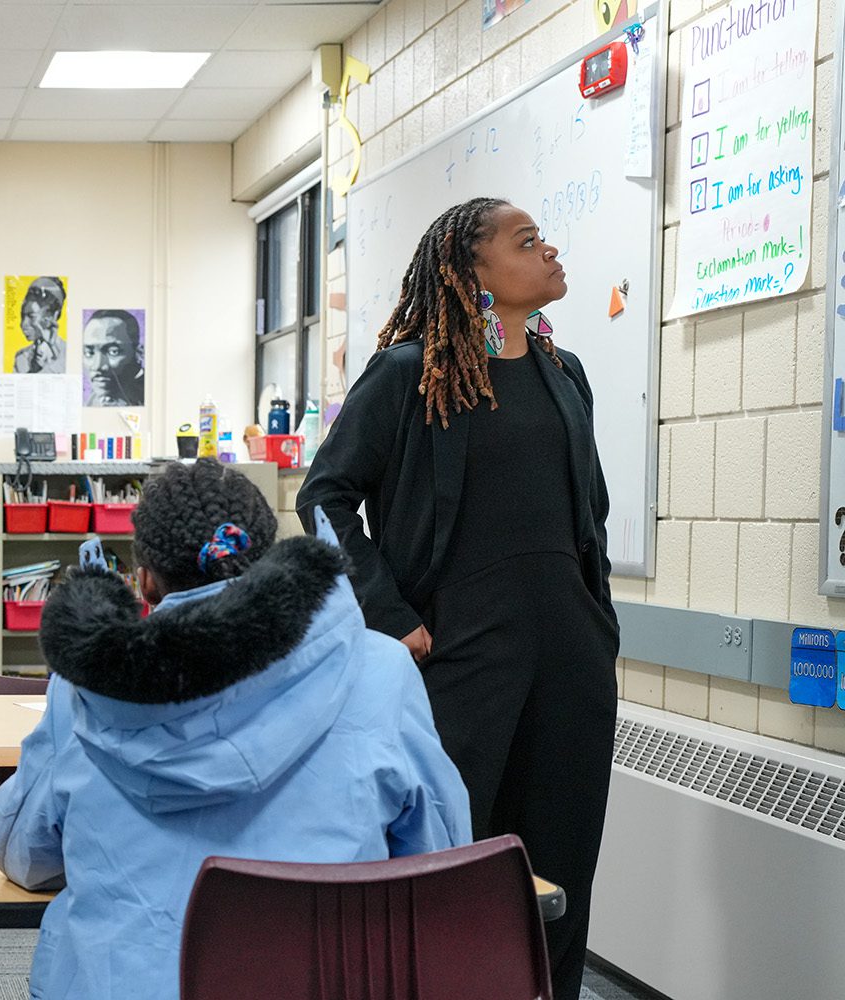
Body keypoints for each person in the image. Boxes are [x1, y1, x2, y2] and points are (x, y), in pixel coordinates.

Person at [296, 197, 618, 1000]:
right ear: (472, 270)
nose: (548, 251)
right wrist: (387, 612)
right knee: (447, 868)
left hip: (571, 667)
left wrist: (597, 622)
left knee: (560, 878)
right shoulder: (411, 373)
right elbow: (326, 495)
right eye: (526, 240)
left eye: (545, 237)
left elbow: (591, 515)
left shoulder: (564, 373)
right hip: (458, 660)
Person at [0, 459, 470, 1000]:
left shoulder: (87, 688)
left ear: (143, 580)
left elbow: (26, 856)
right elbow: (439, 858)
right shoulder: (381, 672)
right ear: (269, 563)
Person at [81, 309, 145, 406]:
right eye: (89, 353)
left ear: (139, 353)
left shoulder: (153, 395)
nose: (97, 366)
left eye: (113, 352)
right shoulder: (92, 401)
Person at [11, 276, 66, 374]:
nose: (23, 324)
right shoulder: (21, 358)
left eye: (31, 316)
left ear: (53, 316)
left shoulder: (69, 354)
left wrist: (54, 350)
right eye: (22, 316)